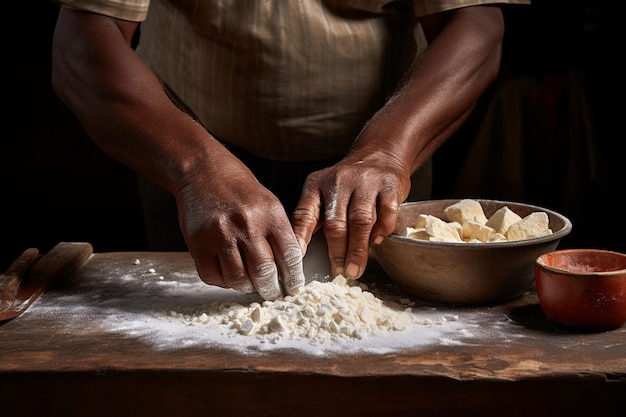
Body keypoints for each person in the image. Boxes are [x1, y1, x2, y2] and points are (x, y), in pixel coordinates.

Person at [51, 0, 529, 301]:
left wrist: (385, 154)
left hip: (381, 154)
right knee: (196, 356)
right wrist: (196, 168)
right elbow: (82, 41)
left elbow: (476, 22)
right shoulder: (192, 163)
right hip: (184, 146)